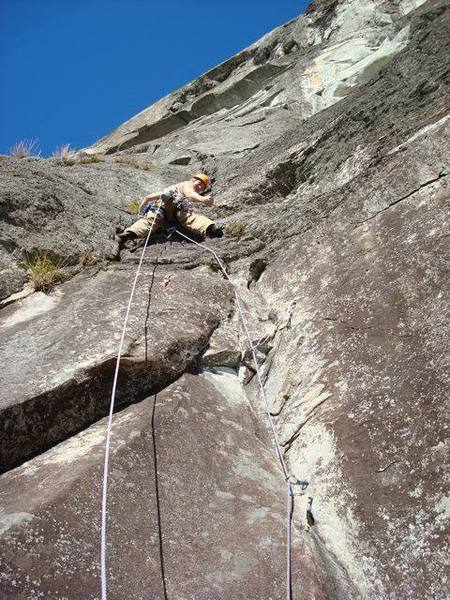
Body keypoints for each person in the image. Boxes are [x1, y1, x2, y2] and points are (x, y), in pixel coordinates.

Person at [117, 173, 223, 245]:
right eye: (199, 183)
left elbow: (148, 198)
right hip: (167, 208)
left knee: (155, 220)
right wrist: (203, 199)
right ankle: (210, 229)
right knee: (185, 216)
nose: (200, 187)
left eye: (202, 187)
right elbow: (191, 194)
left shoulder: (179, 192)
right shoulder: (186, 185)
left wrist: (140, 213)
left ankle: (210, 228)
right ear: (192, 180)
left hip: (169, 213)